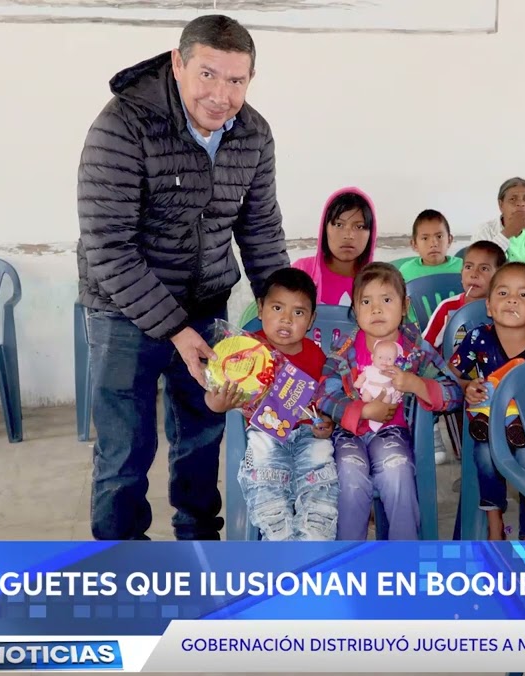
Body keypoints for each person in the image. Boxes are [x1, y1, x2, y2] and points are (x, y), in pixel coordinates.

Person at [77, 15, 289, 541]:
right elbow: (108, 245)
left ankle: (198, 543)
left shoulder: (254, 135)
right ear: (178, 64)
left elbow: (260, 229)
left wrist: (282, 314)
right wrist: (174, 328)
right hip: (123, 312)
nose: (221, 95)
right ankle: (122, 557)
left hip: (206, 305)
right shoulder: (122, 125)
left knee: (201, 433)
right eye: (207, 75)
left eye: (236, 80)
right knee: (125, 448)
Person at [317, 263, 463, 540]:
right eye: (366, 302)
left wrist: (416, 384)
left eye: (386, 300)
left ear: (404, 305)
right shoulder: (344, 349)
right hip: (349, 434)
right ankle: (349, 556)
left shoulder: (416, 349)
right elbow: (325, 394)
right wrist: (362, 410)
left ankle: (402, 556)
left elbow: (454, 392)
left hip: (393, 433)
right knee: (349, 475)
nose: (376, 309)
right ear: (355, 310)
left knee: (397, 471)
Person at [206, 269, 337, 540]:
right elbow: (214, 395)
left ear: (311, 319)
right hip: (264, 433)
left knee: (321, 471)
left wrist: (326, 422)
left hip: (307, 435)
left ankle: (313, 539)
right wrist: (218, 403)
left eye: (298, 312)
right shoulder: (244, 350)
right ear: (261, 308)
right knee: (264, 474)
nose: (286, 319)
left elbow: (325, 401)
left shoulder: (316, 355)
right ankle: (279, 539)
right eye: (277, 308)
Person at [449, 263, 525, 540]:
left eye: (523, 295)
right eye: (503, 293)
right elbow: (450, 375)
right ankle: (494, 522)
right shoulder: (478, 338)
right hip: (487, 425)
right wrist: (466, 387)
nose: (512, 300)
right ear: (489, 305)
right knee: (485, 452)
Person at [293, 188, 377, 306]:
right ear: (325, 229)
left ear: (371, 233)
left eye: (359, 227)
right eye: (339, 225)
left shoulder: (379, 281)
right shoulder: (302, 271)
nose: (348, 235)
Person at [421, 241, 506, 349]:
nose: (474, 274)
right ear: (461, 273)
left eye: (484, 268)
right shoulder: (447, 308)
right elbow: (425, 349)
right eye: (468, 267)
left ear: (500, 277)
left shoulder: (505, 309)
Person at [399, 209, 463, 282]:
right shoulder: (406, 271)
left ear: (449, 240)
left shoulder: (463, 267)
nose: (433, 244)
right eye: (425, 238)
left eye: (439, 236)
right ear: (414, 244)